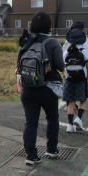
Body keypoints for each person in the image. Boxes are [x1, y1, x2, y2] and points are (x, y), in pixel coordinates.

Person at [17, 12, 64, 165]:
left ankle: (30, 155)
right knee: (52, 118)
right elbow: (61, 66)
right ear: (48, 25)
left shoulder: (26, 42)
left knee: (31, 123)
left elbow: (19, 66)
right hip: (47, 88)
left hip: (28, 89)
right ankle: (51, 149)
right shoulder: (53, 43)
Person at [63, 29, 88, 132]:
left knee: (71, 102)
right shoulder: (84, 52)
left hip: (69, 79)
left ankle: (69, 125)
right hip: (82, 79)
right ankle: (78, 119)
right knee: (83, 100)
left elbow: (63, 67)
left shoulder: (66, 52)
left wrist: (64, 79)